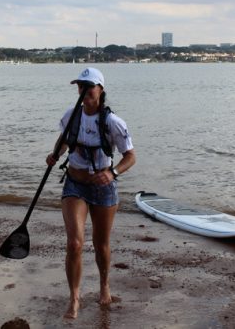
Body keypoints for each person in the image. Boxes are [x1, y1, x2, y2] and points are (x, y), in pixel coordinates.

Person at [46, 67, 136, 319]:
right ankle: (74, 298)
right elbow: (64, 140)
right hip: (74, 184)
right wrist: (55, 154)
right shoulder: (71, 115)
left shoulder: (112, 122)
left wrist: (114, 173)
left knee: (101, 244)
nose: (84, 91)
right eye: (80, 87)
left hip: (103, 188)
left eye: (89, 87)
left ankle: (104, 285)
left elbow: (130, 156)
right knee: (75, 243)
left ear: (101, 90)